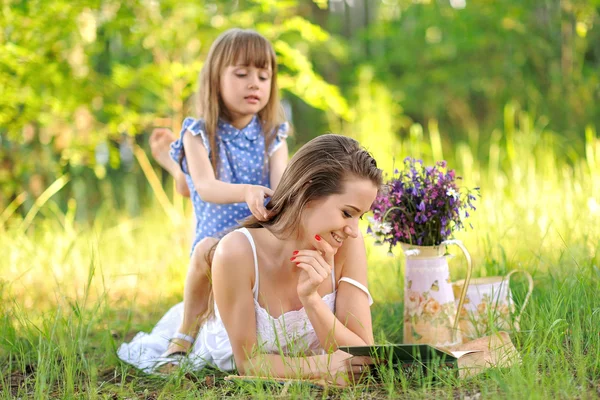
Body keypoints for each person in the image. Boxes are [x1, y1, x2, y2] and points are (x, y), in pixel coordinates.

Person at [118, 134, 383, 385]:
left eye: (361, 217)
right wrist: (322, 366)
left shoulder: (349, 245)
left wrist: (312, 300)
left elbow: (363, 353)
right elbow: (249, 362)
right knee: (209, 249)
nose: (354, 230)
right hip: (217, 327)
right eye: (348, 213)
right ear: (308, 192)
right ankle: (183, 335)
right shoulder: (237, 252)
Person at [154, 28, 291, 359]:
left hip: (257, 237)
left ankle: (177, 172)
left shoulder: (274, 136)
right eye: (242, 74)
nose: (254, 83)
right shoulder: (198, 132)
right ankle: (183, 335)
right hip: (216, 240)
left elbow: (282, 187)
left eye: (263, 75)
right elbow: (207, 188)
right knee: (204, 246)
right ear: (215, 80)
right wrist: (248, 191)